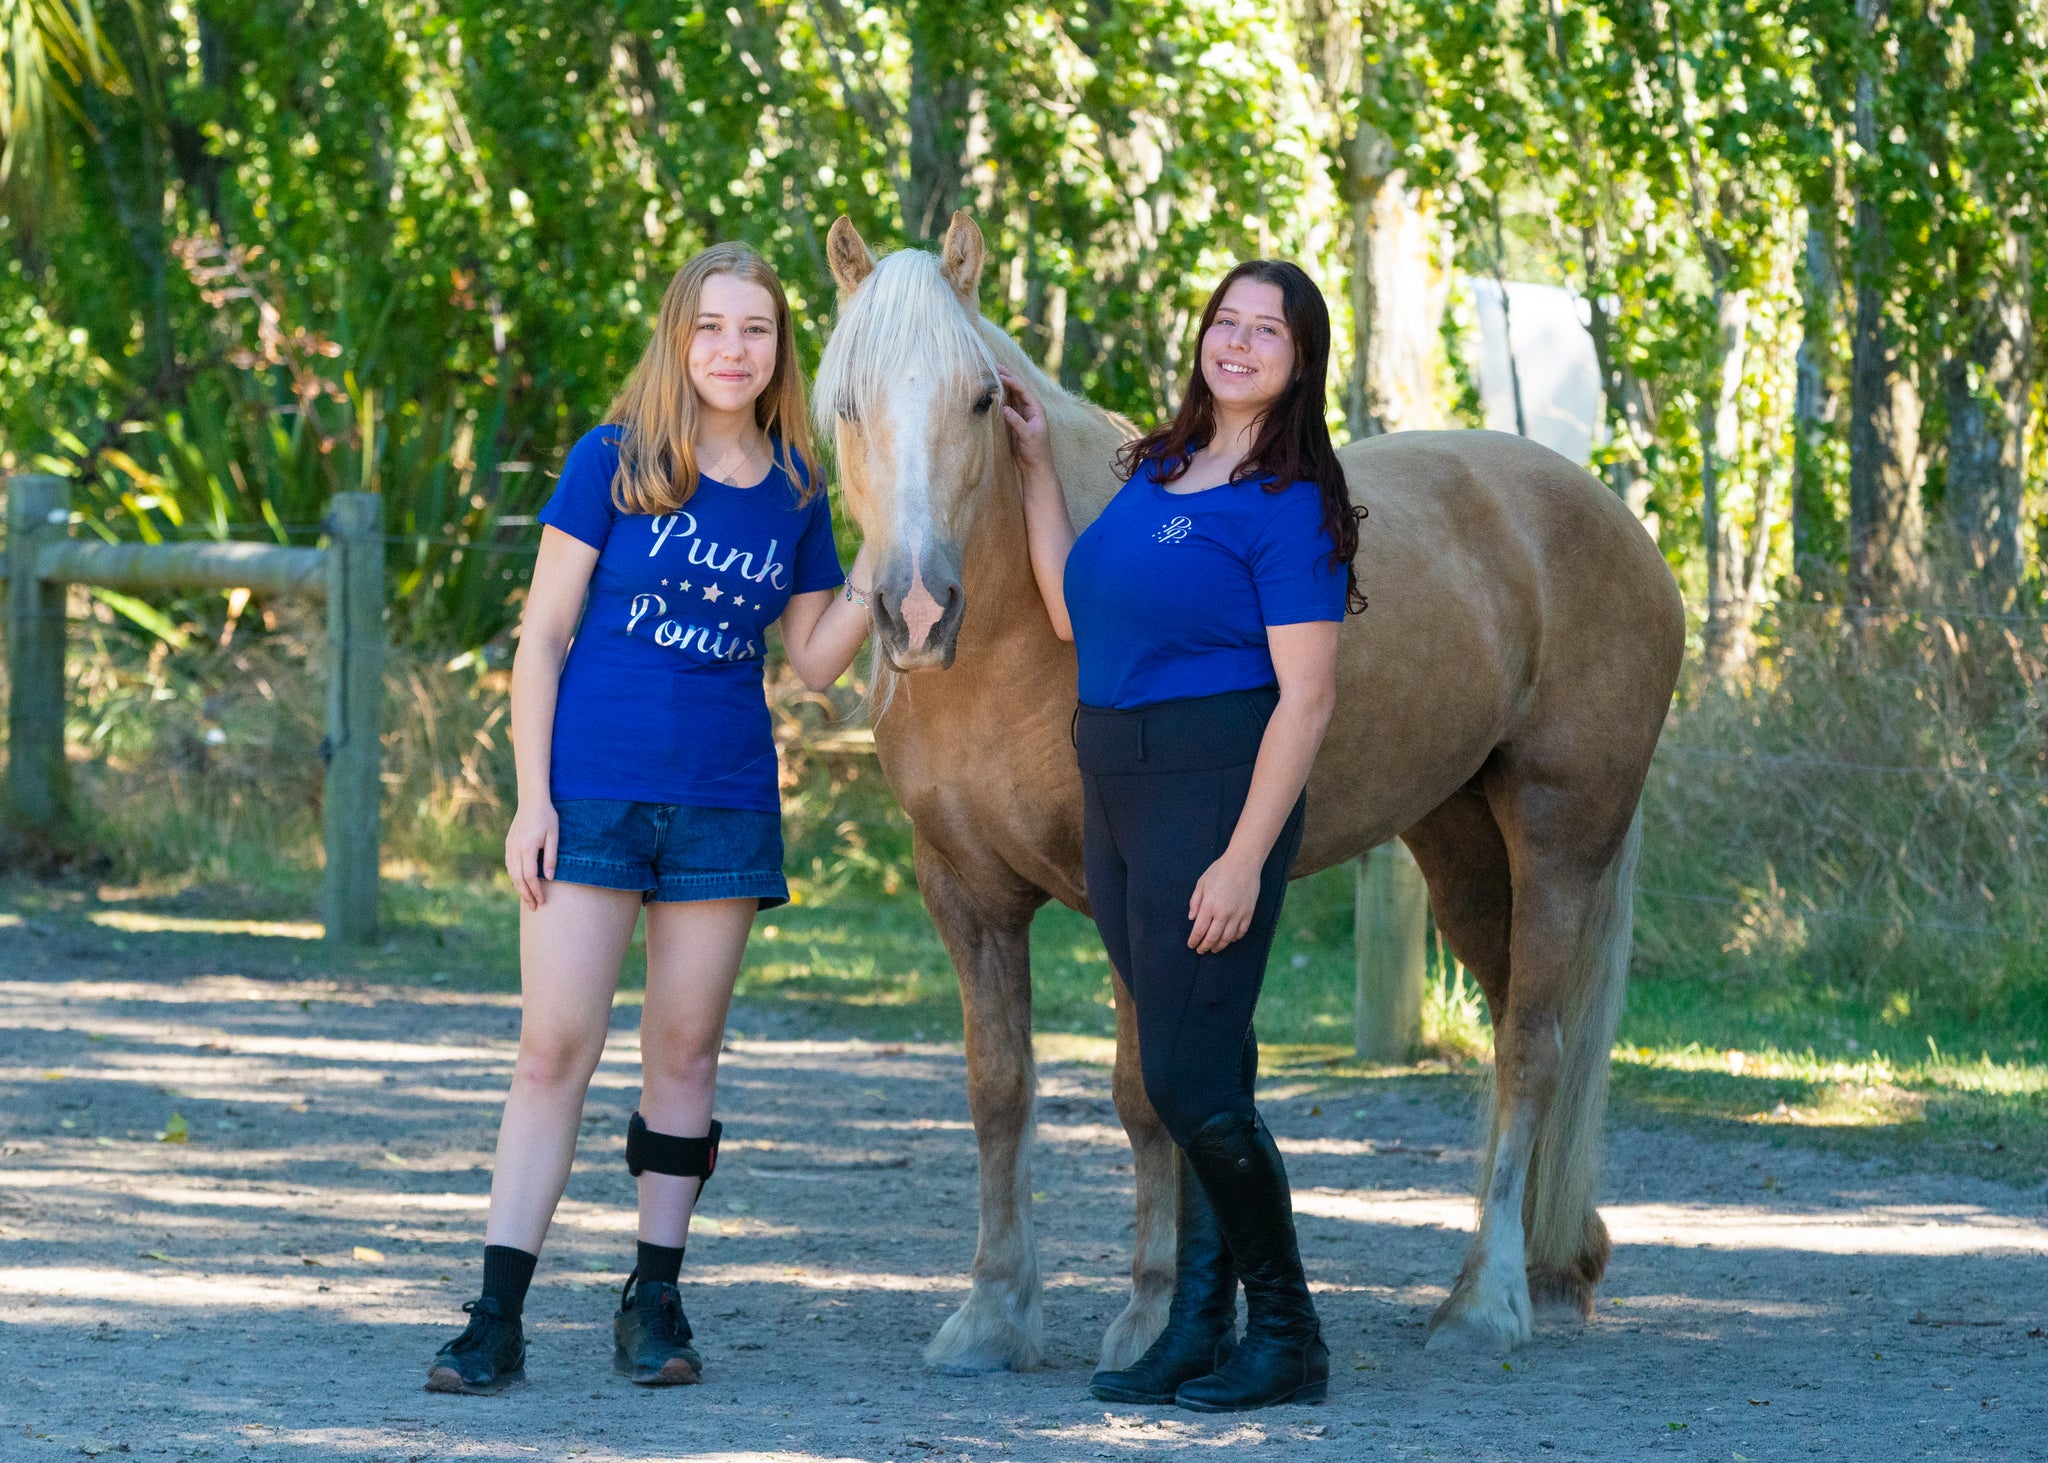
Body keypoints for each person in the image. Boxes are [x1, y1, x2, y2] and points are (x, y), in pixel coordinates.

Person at [427, 242, 877, 1395]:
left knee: (683, 1054)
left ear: (781, 349)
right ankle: (496, 1311)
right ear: (680, 337)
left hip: (723, 801)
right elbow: (540, 639)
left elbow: (818, 663)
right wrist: (531, 799)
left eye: (757, 330)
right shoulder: (613, 460)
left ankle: (654, 1294)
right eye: (713, 326)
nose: (734, 349)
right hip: (591, 792)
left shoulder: (794, 487)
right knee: (553, 1048)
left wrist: (885, 549)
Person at [1000, 260, 1364, 1412]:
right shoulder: (1157, 472)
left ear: (1299, 362)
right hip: (1113, 781)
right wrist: (1028, 475)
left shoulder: (1287, 499)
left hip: (1210, 784)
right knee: (1195, 1065)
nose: (1239, 343)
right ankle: (1201, 1325)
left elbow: (1305, 698)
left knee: (1183, 1074)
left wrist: (1243, 855)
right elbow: (1071, 608)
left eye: (1268, 331)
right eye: (1225, 322)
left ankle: (1289, 1331)